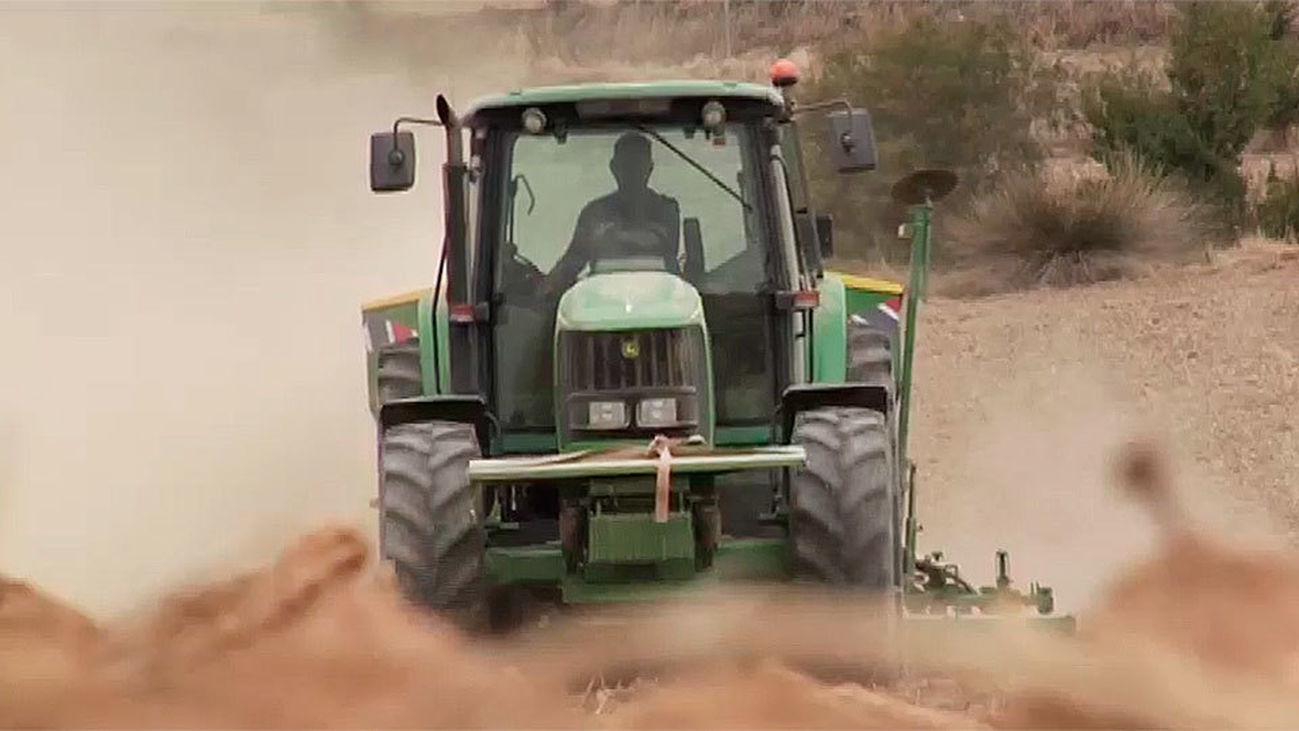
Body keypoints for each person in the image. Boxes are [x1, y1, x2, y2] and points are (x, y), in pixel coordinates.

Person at [542, 132, 681, 295]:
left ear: (650, 168)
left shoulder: (666, 211)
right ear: (613, 168)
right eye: (627, 165)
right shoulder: (594, 215)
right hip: (600, 305)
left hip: (662, 304)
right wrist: (544, 289)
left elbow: (671, 260)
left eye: (638, 165)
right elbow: (572, 262)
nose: (633, 172)